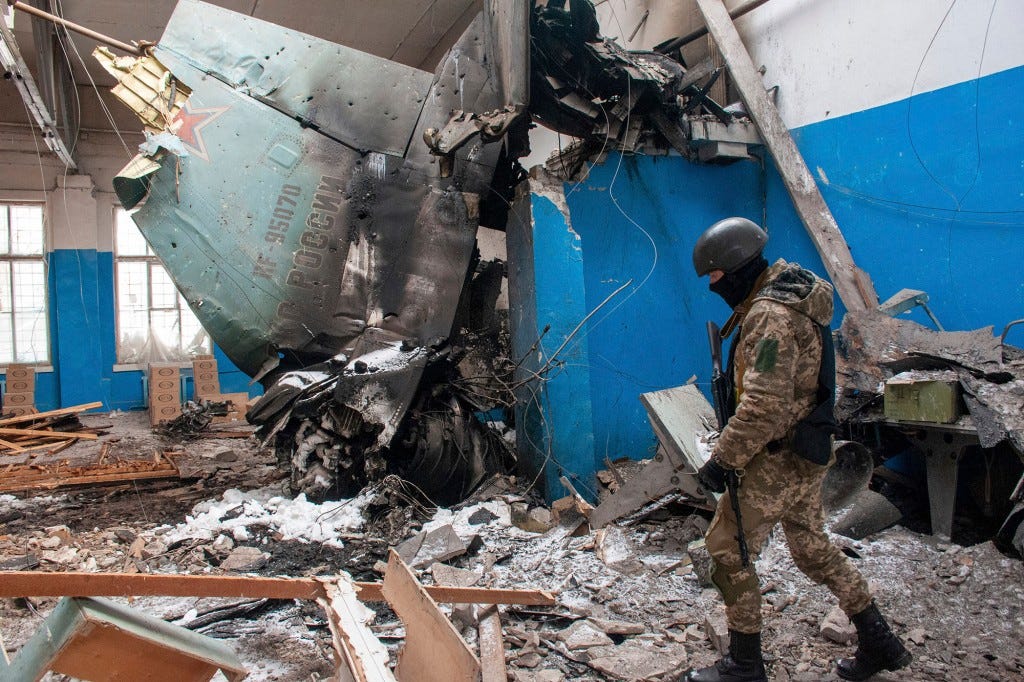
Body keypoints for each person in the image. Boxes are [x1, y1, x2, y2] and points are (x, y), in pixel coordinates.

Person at [681, 217, 911, 682]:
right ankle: (879, 640)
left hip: (778, 458)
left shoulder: (770, 315)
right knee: (811, 548)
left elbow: (764, 405)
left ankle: (744, 664)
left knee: (725, 550)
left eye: (716, 277)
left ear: (738, 267)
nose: (712, 286)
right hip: (807, 449)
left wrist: (722, 460)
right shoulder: (797, 292)